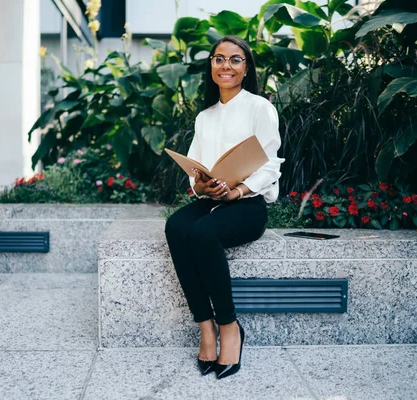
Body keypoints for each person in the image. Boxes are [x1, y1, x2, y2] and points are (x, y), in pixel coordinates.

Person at [164, 36, 284, 379]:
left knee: (201, 233)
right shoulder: (205, 116)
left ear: (246, 68)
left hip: (247, 204)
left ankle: (229, 327)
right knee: (176, 226)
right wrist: (199, 184)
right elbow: (196, 166)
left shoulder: (260, 107)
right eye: (219, 59)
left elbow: (271, 164)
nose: (226, 66)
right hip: (212, 197)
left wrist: (239, 189)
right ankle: (206, 327)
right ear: (211, 67)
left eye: (235, 60)